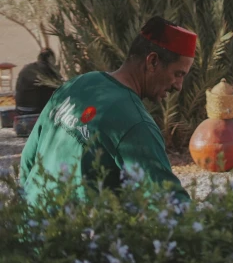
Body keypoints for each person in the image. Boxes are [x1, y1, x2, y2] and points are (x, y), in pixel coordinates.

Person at [19, 16, 196, 205]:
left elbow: (28, 158)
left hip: (31, 224)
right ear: (152, 61)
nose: (178, 86)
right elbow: (168, 203)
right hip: (74, 234)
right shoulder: (135, 124)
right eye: (178, 74)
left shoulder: (78, 84)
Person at [13, 48, 63, 137]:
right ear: (50, 58)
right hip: (34, 110)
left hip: (20, 110)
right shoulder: (47, 70)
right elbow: (58, 90)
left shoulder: (28, 68)